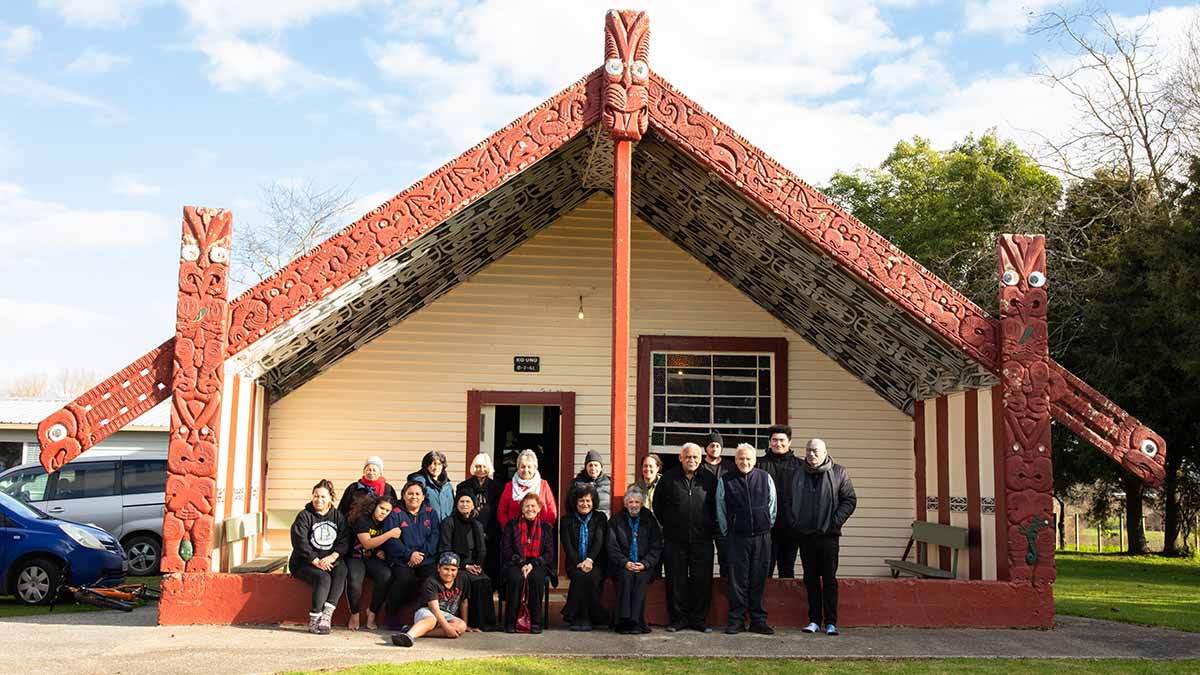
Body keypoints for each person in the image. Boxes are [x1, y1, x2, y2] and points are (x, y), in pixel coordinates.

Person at [791, 438, 857, 636]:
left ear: (825, 452)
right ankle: (813, 620)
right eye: (809, 451)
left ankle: (831, 622)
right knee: (810, 579)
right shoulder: (798, 473)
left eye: (816, 451)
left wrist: (834, 522)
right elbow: (787, 499)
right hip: (805, 536)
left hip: (828, 536)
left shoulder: (838, 473)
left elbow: (849, 500)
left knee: (829, 579)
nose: (811, 454)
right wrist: (795, 522)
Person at [655, 442, 717, 632]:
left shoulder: (709, 479)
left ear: (701, 458)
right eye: (688, 457)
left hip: (703, 539)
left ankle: (698, 620)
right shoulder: (668, 479)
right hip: (675, 540)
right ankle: (678, 620)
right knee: (676, 581)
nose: (692, 460)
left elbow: (717, 507)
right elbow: (658, 506)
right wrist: (672, 525)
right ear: (680, 458)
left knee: (702, 581)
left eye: (695, 457)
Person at [716, 443, 776, 635]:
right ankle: (737, 620)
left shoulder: (765, 478)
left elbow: (772, 506)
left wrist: (765, 524)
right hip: (736, 538)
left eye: (748, 459)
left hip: (761, 537)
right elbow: (720, 509)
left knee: (758, 579)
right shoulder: (725, 480)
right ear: (735, 460)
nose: (745, 462)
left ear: (754, 460)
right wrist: (728, 531)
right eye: (741, 458)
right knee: (737, 581)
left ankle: (758, 620)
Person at [289, 479, 351, 634]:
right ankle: (315, 619)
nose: (319, 500)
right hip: (304, 562)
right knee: (323, 577)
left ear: (330, 498)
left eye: (323, 497)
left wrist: (333, 557)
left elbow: (345, 540)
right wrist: (314, 560)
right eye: (316, 496)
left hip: (328, 560)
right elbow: (300, 541)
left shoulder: (338, 517)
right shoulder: (304, 516)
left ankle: (326, 615)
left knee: (342, 570)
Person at [382, 481, 440, 624]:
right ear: (403, 495)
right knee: (404, 580)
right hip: (402, 559)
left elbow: (435, 536)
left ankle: (428, 617)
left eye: (417, 494)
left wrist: (420, 555)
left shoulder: (430, 513)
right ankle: (391, 615)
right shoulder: (395, 514)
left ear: (423, 497)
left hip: (425, 559)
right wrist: (409, 554)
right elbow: (391, 540)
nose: (414, 497)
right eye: (410, 494)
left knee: (431, 580)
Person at [390, 552, 479, 647]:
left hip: (446, 615)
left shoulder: (463, 578)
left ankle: (414, 629)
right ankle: (409, 636)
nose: (449, 573)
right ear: (438, 568)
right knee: (431, 620)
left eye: (453, 570)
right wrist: (447, 628)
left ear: (458, 570)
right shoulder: (431, 581)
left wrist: (465, 624)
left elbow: (464, 602)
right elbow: (434, 609)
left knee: (461, 626)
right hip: (427, 611)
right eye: (446, 569)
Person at [606, 487, 663, 634]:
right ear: (625, 504)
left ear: (642, 504)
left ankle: (637, 623)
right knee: (626, 577)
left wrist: (645, 564)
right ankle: (623, 622)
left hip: (645, 565)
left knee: (640, 578)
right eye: (630, 502)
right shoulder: (616, 521)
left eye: (637, 502)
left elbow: (656, 547)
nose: (634, 505)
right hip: (622, 565)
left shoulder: (650, 520)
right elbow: (612, 548)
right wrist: (626, 563)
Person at [438, 492, 498, 631]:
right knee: (469, 580)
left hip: (474, 565)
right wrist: (465, 566)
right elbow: (446, 548)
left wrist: (477, 565)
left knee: (484, 580)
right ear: (456, 504)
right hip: (455, 565)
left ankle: (484, 624)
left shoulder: (477, 524)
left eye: (468, 502)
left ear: (473, 505)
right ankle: (467, 623)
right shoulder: (449, 522)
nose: (464, 504)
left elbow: (482, 549)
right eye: (461, 502)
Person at [499, 492, 556, 633]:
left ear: (539, 509)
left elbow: (549, 553)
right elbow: (506, 549)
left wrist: (532, 564)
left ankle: (535, 622)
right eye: (526, 506)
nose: (530, 509)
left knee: (536, 578)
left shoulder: (546, 527)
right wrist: (521, 563)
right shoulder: (511, 525)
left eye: (533, 506)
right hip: (515, 562)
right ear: (522, 508)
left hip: (538, 563)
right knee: (516, 578)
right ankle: (511, 622)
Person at [560, 482, 608, 631]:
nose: (585, 504)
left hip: (596, 562)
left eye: (588, 500)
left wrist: (589, 560)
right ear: (575, 502)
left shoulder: (600, 518)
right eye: (581, 500)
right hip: (575, 562)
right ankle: (585, 617)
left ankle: (579, 616)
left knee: (590, 578)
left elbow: (599, 541)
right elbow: (567, 546)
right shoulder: (566, 520)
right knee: (580, 576)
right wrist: (579, 563)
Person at [345, 493, 397, 630]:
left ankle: (372, 612)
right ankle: (354, 613)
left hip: (371, 558)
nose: (383, 513)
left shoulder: (387, 522)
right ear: (374, 506)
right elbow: (367, 543)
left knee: (386, 575)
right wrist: (389, 534)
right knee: (355, 581)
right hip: (354, 557)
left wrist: (382, 550)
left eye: (387, 511)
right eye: (381, 508)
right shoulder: (362, 519)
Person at [759, 425, 801, 578]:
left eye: (782, 440)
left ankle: (787, 603)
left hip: (791, 528)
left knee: (787, 569)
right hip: (766, 528)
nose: (778, 444)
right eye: (774, 440)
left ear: (789, 442)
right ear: (769, 442)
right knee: (765, 569)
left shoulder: (800, 466)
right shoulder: (759, 465)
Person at [456, 453, 504, 580]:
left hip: (491, 530)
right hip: (469, 531)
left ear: (489, 468)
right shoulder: (463, 486)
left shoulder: (497, 487)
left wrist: (490, 532)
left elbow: (498, 511)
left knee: (491, 563)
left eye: (484, 466)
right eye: (477, 466)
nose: (481, 470)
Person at [700, 432, 735, 577]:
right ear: (706, 448)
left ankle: (725, 594)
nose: (714, 448)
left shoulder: (730, 466)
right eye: (711, 445)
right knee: (703, 560)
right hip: (703, 519)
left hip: (724, 520)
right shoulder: (699, 467)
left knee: (726, 559)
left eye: (717, 445)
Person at [497, 449, 557, 529]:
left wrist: (546, 528)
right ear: (517, 468)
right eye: (522, 467)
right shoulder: (510, 486)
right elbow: (501, 510)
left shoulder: (543, 485)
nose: (526, 470)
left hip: (540, 533)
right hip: (514, 534)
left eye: (529, 467)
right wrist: (507, 528)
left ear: (535, 468)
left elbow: (552, 510)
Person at [408, 451, 455, 522]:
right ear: (427, 465)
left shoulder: (448, 486)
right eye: (433, 464)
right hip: (426, 527)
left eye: (439, 464)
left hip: (446, 528)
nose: (436, 467)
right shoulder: (419, 482)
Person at [572, 449, 612, 516]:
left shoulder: (610, 482)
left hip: (606, 521)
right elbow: (571, 504)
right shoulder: (577, 483)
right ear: (586, 467)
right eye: (590, 465)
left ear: (601, 467)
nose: (593, 468)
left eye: (596, 465)